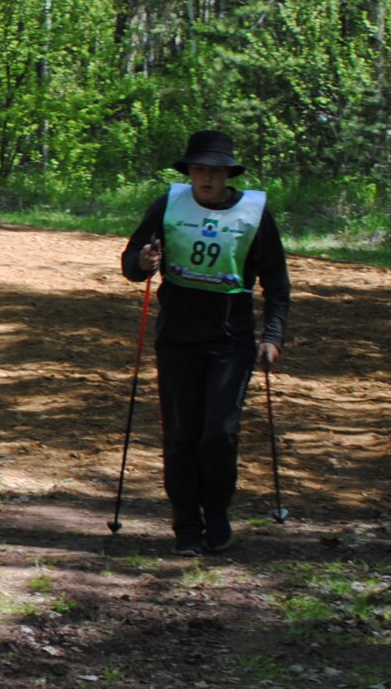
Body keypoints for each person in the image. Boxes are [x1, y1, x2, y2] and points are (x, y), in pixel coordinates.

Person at [120, 130, 292, 554]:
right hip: (177, 336)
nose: (206, 178)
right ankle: (185, 522)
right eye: (199, 169)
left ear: (227, 174)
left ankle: (216, 511)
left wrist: (272, 335)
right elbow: (131, 263)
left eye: (214, 171)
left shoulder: (254, 213)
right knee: (181, 433)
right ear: (190, 172)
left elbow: (277, 282)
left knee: (218, 432)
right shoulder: (168, 204)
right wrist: (143, 262)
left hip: (231, 339)